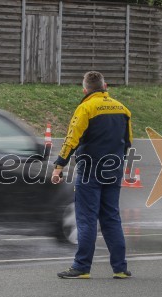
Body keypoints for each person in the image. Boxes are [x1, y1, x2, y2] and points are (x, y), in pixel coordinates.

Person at [52, 71, 132, 279]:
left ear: (85, 89)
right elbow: (128, 142)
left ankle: (82, 267)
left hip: (90, 170)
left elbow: (71, 139)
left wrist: (59, 166)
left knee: (86, 219)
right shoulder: (123, 109)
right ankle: (120, 268)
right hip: (113, 169)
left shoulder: (85, 107)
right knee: (111, 218)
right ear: (105, 86)